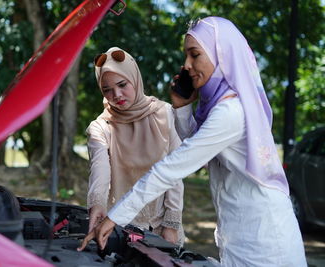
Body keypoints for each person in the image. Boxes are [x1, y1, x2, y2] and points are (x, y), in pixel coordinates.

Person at [78, 17, 307, 267]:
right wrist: (184, 108)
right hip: (241, 234)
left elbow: (173, 167)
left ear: (222, 54)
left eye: (195, 54)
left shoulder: (230, 112)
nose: (187, 65)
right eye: (186, 56)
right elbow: (199, 151)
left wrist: (115, 218)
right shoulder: (221, 106)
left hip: (265, 241)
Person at [85, 47, 185, 245]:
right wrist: (97, 204)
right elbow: (100, 170)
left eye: (122, 84)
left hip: (163, 226)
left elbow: (175, 174)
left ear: (135, 78)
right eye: (107, 90)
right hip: (119, 227)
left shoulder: (165, 114)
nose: (117, 94)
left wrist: (171, 226)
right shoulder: (100, 127)